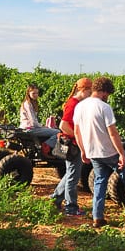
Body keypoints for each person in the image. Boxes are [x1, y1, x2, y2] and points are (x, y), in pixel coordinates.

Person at [73, 77, 125, 228]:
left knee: (100, 182)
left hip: (92, 152)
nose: (107, 97)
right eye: (107, 94)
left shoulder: (80, 107)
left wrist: (83, 151)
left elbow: (77, 132)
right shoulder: (104, 107)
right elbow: (113, 133)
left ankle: (97, 217)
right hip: (109, 151)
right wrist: (121, 153)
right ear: (103, 92)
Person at [50, 78, 93, 216]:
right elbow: (63, 125)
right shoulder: (73, 104)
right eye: (90, 91)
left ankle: (55, 199)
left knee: (70, 174)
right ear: (83, 90)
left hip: (74, 143)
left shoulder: (77, 103)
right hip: (72, 145)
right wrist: (77, 136)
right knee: (73, 177)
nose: (90, 95)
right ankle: (71, 207)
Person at [19, 84, 59, 154]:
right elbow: (33, 122)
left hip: (27, 127)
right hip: (30, 128)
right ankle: (46, 146)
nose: (35, 95)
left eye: (37, 93)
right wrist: (42, 126)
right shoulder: (28, 104)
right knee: (57, 132)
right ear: (28, 93)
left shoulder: (29, 103)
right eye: (33, 93)